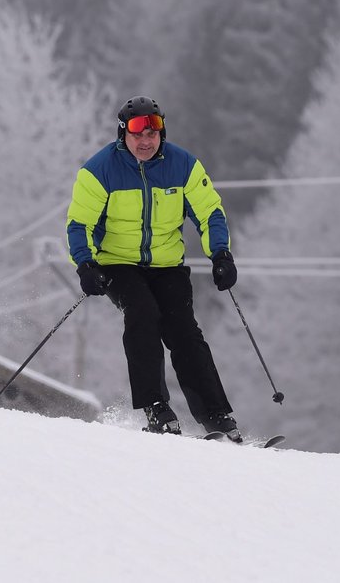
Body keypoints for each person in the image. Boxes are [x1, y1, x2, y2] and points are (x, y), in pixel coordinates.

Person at [65, 96, 241, 440]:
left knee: (183, 330)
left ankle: (216, 416)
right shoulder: (99, 170)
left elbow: (210, 213)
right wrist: (85, 264)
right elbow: (78, 224)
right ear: (122, 135)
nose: (145, 142)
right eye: (137, 135)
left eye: (153, 134)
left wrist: (221, 254)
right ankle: (156, 408)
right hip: (117, 262)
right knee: (142, 313)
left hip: (166, 264)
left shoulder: (183, 166)